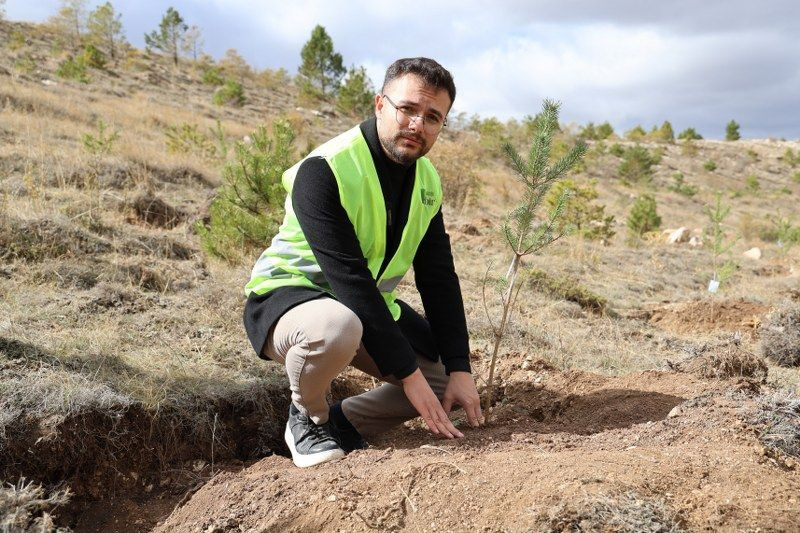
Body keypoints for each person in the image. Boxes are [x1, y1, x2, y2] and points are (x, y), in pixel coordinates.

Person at [243, 57, 482, 468]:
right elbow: (349, 277)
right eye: (407, 109)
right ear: (379, 104)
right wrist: (408, 377)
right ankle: (307, 416)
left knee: (442, 381)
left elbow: (438, 277)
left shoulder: (427, 181)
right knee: (337, 328)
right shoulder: (324, 169)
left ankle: (342, 421)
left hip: (365, 305)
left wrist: (460, 366)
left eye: (432, 117)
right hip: (291, 300)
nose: (417, 124)